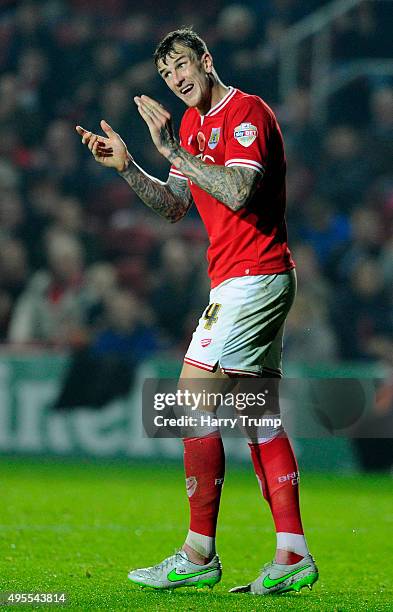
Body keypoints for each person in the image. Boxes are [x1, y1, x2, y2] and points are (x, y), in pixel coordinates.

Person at [76, 28, 318, 596]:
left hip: (254, 277)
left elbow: (238, 192)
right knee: (256, 416)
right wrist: (130, 166)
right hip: (239, 279)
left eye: (183, 65)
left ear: (206, 60)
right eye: (166, 75)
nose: (177, 80)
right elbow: (175, 206)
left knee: (189, 400)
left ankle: (198, 551)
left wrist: (175, 152)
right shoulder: (188, 125)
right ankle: (292, 553)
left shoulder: (246, 113)